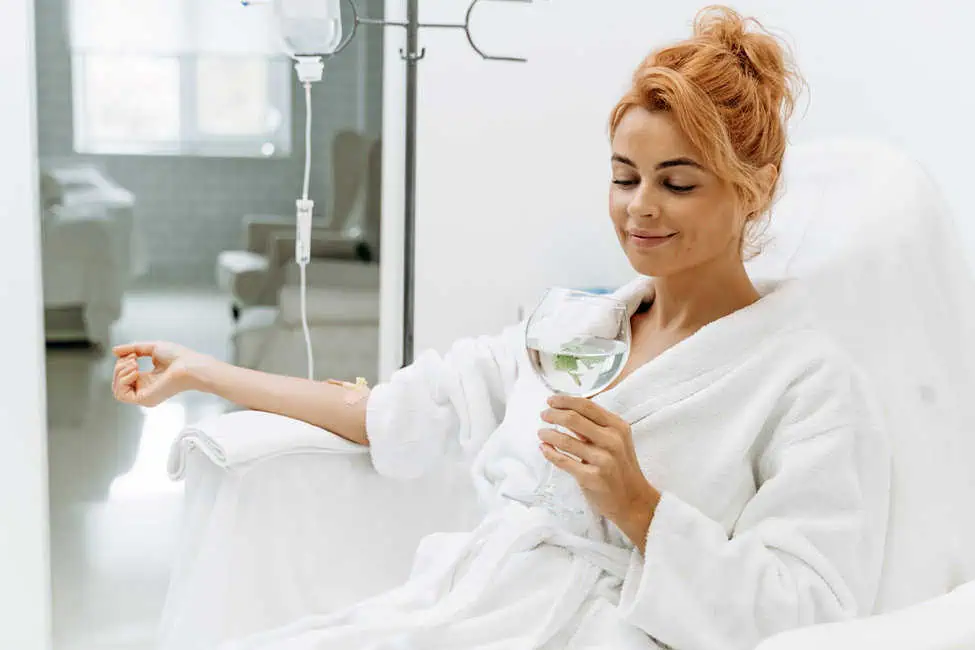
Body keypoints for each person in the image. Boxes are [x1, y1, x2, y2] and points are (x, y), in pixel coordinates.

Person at [112, 6, 891, 649]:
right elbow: (390, 412)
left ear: (752, 191)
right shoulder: (572, 333)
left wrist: (639, 507)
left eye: (676, 183)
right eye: (623, 177)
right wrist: (203, 372)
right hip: (471, 609)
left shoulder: (806, 381)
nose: (639, 207)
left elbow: (812, 612)